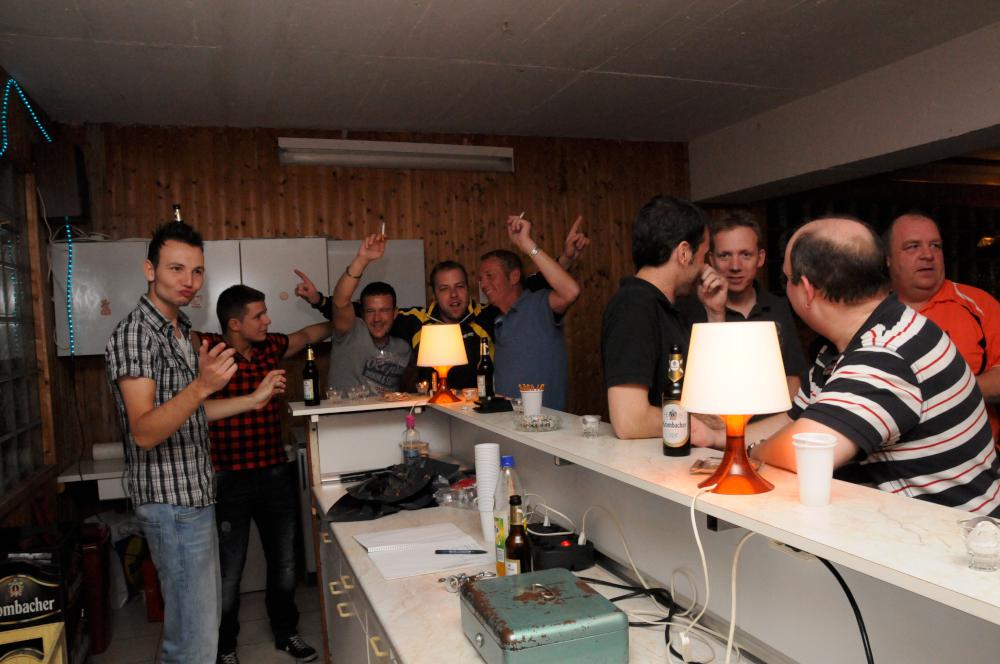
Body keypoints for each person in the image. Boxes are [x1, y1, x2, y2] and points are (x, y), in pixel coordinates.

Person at [105, 222, 286, 664]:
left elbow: (187, 414)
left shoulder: (180, 330)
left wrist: (253, 399)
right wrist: (203, 386)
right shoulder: (137, 334)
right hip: (171, 505)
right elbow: (145, 431)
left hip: (195, 496)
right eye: (176, 268)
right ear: (150, 270)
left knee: (200, 634)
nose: (189, 280)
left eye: (197, 271)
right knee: (193, 643)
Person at [730, 217, 999, 514]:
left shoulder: (886, 351)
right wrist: (724, 436)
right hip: (913, 525)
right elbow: (793, 420)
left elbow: (808, 451)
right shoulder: (851, 342)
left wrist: (752, 451)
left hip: (955, 534)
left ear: (806, 289)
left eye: (787, 280)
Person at [293, 217, 591, 391]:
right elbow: (362, 311)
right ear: (434, 294)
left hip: (483, 414)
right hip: (433, 417)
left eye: (460, 287)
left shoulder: (488, 315)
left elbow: (525, 286)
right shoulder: (415, 319)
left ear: (468, 288)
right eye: (445, 289)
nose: (454, 295)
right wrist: (319, 300)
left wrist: (565, 259)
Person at [198, 285, 332, 664]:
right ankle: (224, 647)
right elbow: (176, 333)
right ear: (234, 324)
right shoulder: (210, 351)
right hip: (228, 480)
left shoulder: (270, 347)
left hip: (274, 474)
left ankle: (286, 633)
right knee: (229, 573)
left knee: (285, 563)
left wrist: (340, 315)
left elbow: (309, 334)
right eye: (258, 315)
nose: (267, 321)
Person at [601, 195, 728, 440]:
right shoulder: (633, 305)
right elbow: (630, 421)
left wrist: (715, 313)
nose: (705, 267)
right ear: (684, 253)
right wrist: (701, 422)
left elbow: (708, 393)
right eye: (703, 256)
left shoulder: (669, 307)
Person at [885, 212, 1000, 443]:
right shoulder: (868, 311)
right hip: (888, 456)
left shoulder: (979, 304)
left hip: (973, 454)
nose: (928, 255)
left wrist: (942, 395)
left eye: (935, 246)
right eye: (913, 246)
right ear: (888, 259)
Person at [678, 210, 806, 398]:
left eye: (745, 254)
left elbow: (793, 377)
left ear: (760, 258)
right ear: (711, 259)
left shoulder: (780, 307)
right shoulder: (689, 311)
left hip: (773, 415)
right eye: (725, 255)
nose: (735, 266)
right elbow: (690, 385)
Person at [480, 215, 582, 410]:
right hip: (505, 422)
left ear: (514, 277)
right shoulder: (493, 317)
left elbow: (571, 292)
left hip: (545, 423)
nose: (483, 284)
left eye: (490, 276)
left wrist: (526, 244)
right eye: (481, 279)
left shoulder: (539, 304)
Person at [297, 233, 411, 394]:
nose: (377, 318)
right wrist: (361, 260)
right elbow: (340, 301)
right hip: (346, 410)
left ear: (395, 313)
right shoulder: (350, 331)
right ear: (362, 313)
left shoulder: (403, 348)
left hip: (389, 410)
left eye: (384, 311)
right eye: (370, 311)